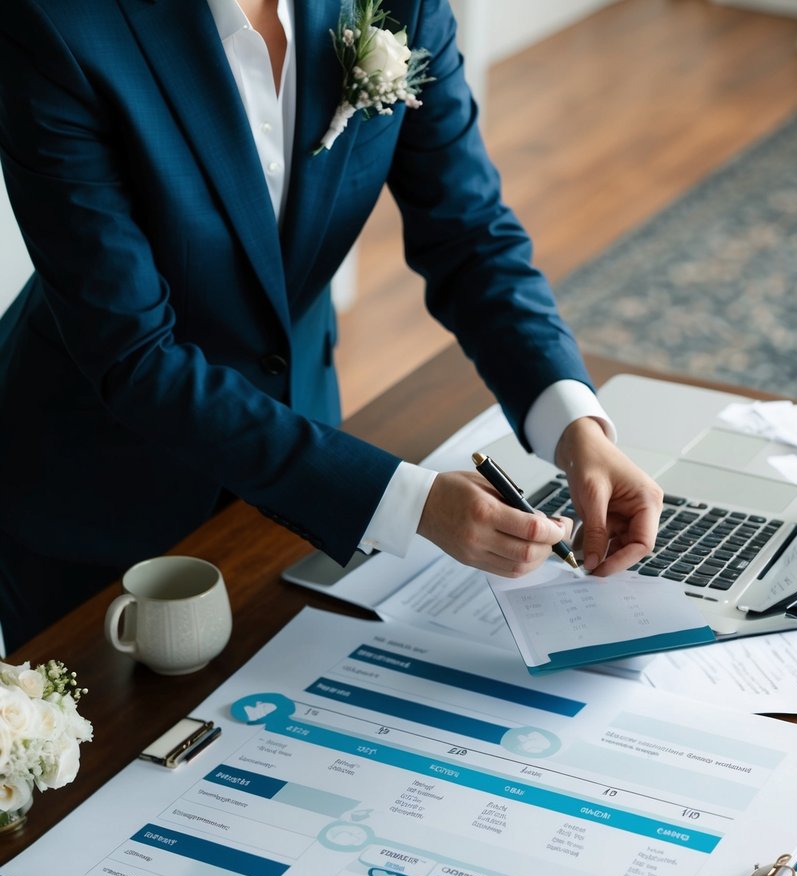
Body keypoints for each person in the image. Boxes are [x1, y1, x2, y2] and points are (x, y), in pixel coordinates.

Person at [0, 0, 662, 656]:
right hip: (97, 485)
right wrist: (409, 504)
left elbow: (470, 237)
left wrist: (574, 428)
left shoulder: (402, 5)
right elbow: (135, 356)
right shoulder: (56, 24)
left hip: (305, 463)